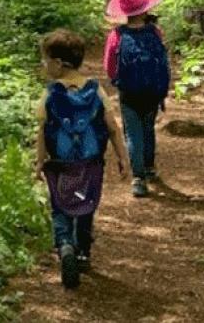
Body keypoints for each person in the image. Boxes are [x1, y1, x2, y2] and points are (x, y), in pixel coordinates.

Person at [36, 29, 130, 289]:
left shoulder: (51, 93)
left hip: (60, 164)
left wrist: (39, 161)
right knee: (85, 204)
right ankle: (82, 252)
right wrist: (123, 157)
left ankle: (65, 243)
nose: (44, 66)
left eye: (45, 61)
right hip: (90, 163)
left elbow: (43, 129)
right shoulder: (95, 90)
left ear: (57, 63)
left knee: (60, 206)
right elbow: (112, 126)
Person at [103, 0, 172, 198]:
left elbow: (109, 66)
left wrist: (118, 80)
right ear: (146, 9)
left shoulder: (117, 35)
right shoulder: (156, 32)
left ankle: (138, 179)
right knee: (148, 128)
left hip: (129, 93)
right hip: (152, 92)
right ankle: (150, 167)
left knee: (132, 134)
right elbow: (163, 61)